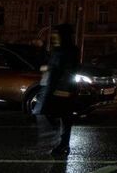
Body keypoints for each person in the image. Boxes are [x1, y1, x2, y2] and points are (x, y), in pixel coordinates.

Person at [33, 24, 79, 156]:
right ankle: (63, 144)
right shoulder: (68, 50)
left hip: (60, 89)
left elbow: (59, 69)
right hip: (64, 88)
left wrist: (49, 69)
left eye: (56, 34)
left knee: (48, 113)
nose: (54, 36)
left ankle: (59, 142)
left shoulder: (64, 51)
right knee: (63, 118)